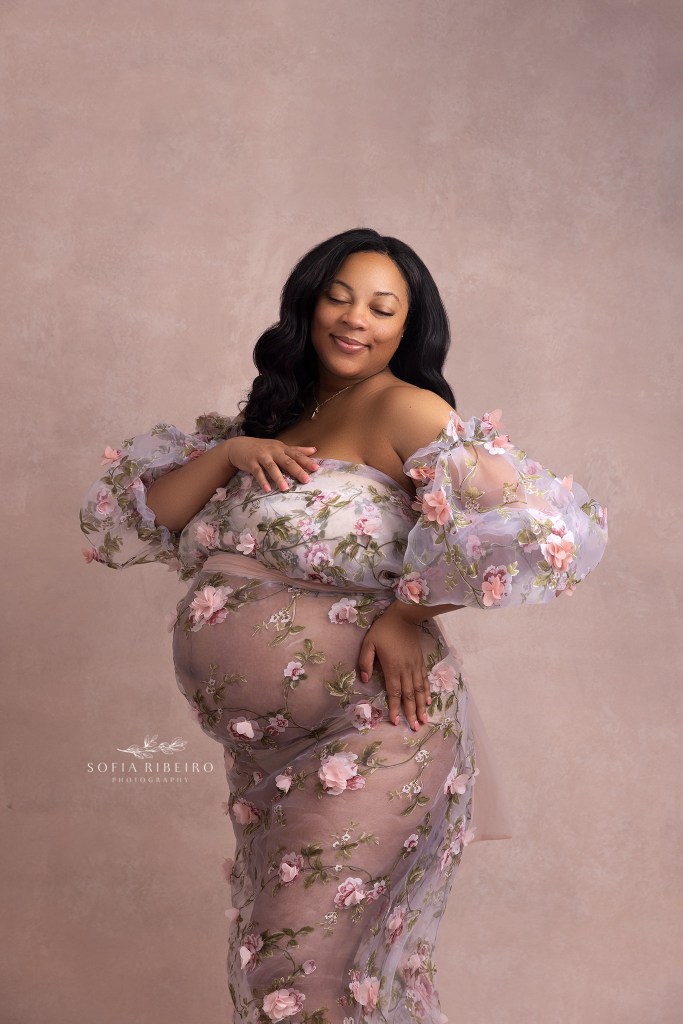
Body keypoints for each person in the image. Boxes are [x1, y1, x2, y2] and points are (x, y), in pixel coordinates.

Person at [80, 228, 608, 1024]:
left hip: (374, 729)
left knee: (301, 977)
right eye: (339, 295)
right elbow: (126, 524)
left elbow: (540, 529)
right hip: (269, 756)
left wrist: (408, 610)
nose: (355, 318)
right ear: (306, 302)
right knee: (272, 969)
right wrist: (229, 456)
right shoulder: (276, 419)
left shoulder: (404, 405)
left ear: (407, 326)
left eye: (381, 306)